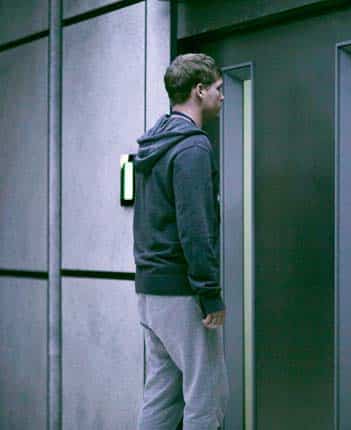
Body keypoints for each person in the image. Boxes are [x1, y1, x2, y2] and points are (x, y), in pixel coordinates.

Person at [133, 53, 228, 430]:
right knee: (207, 396)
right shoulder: (192, 148)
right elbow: (195, 227)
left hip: (151, 291)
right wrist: (209, 292)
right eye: (218, 88)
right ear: (199, 90)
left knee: (162, 394)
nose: (222, 96)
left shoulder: (154, 144)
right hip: (181, 292)